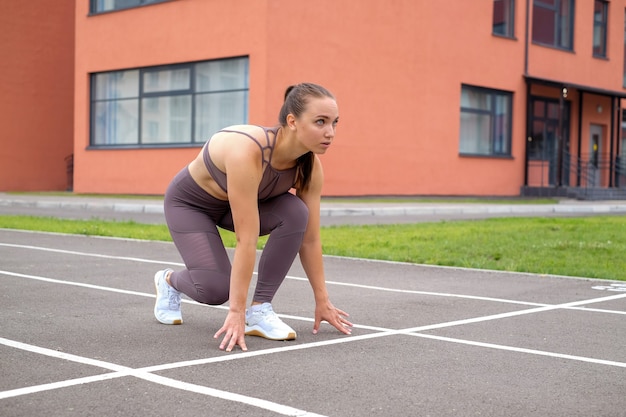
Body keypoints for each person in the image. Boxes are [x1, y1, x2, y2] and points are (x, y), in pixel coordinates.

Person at [153, 82, 353, 352]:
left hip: (235, 206)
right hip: (192, 206)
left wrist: (322, 300)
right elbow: (246, 239)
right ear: (292, 121)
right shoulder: (248, 151)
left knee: (296, 212)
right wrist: (235, 311)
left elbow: (310, 239)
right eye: (320, 122)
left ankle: (260, 311)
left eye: (334, 123)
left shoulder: (310, 167)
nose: (330, 133)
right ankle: (168, 281)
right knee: (214, 290)